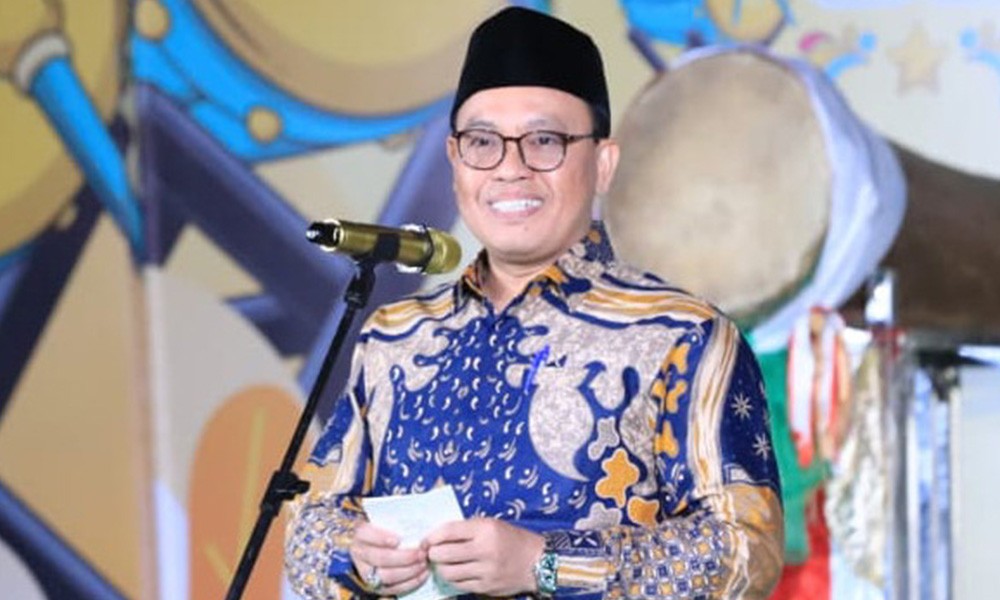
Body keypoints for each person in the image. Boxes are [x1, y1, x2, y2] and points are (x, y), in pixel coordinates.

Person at [285, 6, 783, 599]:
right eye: (482, 143)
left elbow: (746, 551)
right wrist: (357, 555)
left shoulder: (682, 335)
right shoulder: (394, 337)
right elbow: (309, 524)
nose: (510, 168)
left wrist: (545, 564)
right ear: (455, 161)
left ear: (603, 163)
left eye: (545, 141)